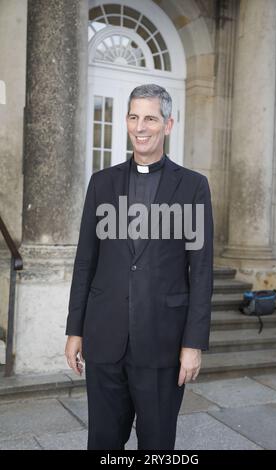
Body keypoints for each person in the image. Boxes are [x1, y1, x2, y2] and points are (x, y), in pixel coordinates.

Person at [65, 83, 214, 450]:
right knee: (102, 442)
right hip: (105, 339)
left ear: (168, 124)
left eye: (150, 117)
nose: (140, 127)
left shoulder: (193, 187)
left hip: (163, 342)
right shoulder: (102, 183)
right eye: (133, 117)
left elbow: (202, 269)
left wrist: (193, 343)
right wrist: (75, 329)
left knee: (157, 444)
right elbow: (86, 260)